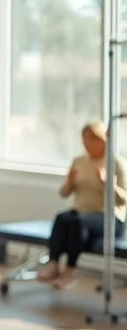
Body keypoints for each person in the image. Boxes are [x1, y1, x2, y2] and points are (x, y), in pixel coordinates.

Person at [38, 120, 127, 289]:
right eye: (84, 139)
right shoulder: (79, 161)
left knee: (78, 222)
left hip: (109, 217)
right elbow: (64, 193)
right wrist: (70, 182)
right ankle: (54, 264)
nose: (87, 143)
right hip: (80, 213)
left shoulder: (116, 163)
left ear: (102, 140)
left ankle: (70, 270)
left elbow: (123, 200)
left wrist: (108, 185)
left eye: (91, 139)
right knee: (63, 218)